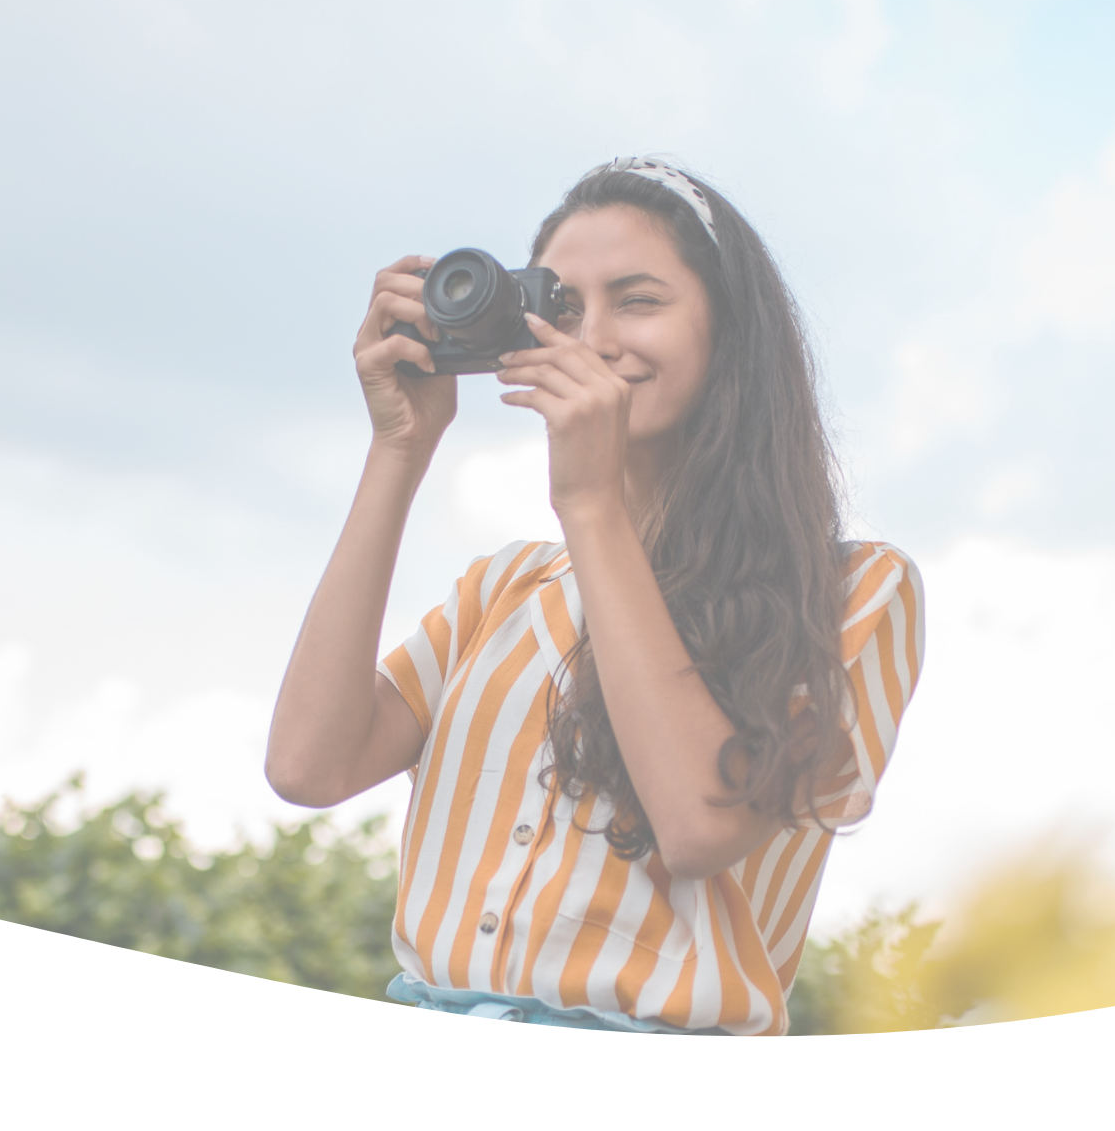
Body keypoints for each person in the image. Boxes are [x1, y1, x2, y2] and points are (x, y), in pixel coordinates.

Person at [265, 158, 922, 1036]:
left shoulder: (855, 590)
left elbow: (699, 826)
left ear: (729, 335)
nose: (597, 338)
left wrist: (591, 501)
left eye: (640, 300)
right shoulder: (502, 588)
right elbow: (307, 767)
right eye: (565, 308)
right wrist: (399, 450)